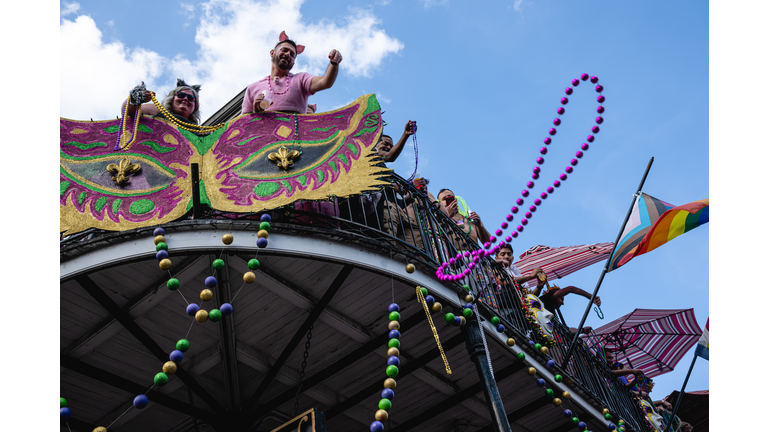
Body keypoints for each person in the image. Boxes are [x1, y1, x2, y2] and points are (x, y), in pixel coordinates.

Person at [242, 31, 342, 114]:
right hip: (265, 137)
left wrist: (333, 63)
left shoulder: (300, 79)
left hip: (296, 137)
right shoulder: (252, 88)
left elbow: (325, 82)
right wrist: (256, 113)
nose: (287, 54)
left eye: (292, 54)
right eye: (284, 50)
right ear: (272, 53)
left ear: (293, 63)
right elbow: (242, 125)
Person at [122, 79, 202, 124]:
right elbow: (128, 112)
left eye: (191, 98)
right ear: (172, 99)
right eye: (180, 95)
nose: (185, 99)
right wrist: (135, 98)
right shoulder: (158, 111)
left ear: (195, 106)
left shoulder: (198, 131)